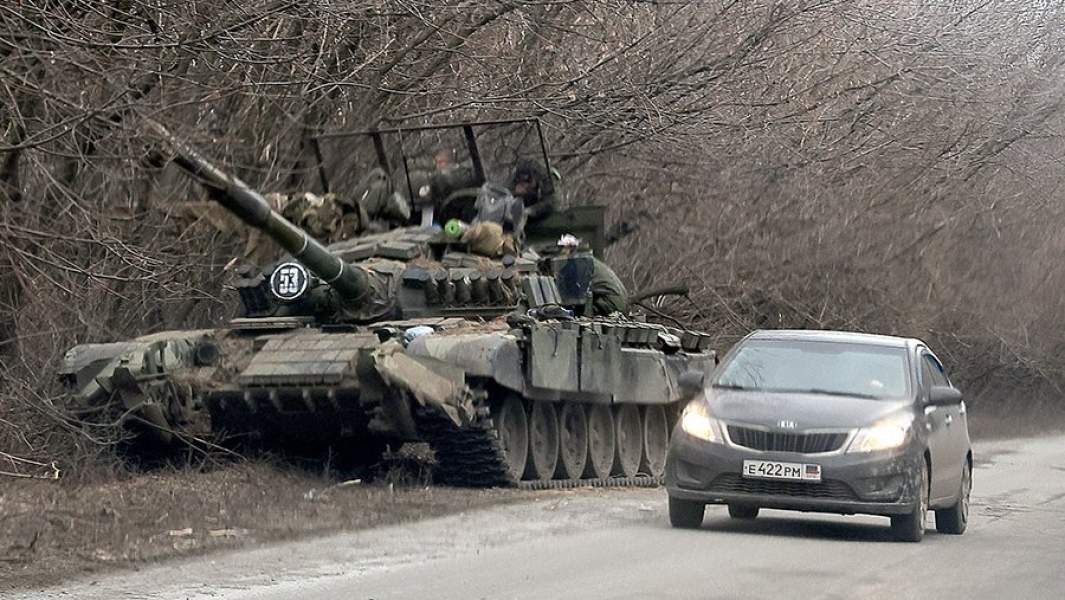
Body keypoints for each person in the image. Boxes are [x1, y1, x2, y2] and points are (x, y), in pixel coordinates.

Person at [556, 234, 628, 316]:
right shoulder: (585, 259)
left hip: (612, 302)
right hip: (616, 300)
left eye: (562, 248)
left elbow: (580, 293)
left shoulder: (580, 262)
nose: (560, 251)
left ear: (570, 248)